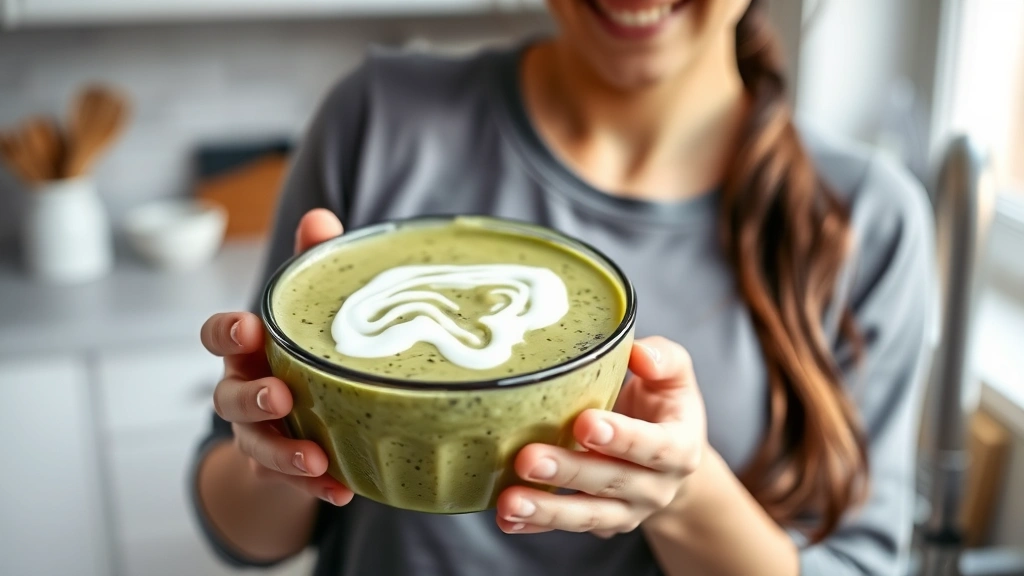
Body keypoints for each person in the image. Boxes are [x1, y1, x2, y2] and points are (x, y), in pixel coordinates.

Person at [191, 0, 935, 574]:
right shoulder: (378, 117)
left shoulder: (864, 219)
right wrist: (281, 446)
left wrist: (683, 496)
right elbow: (240, 529)